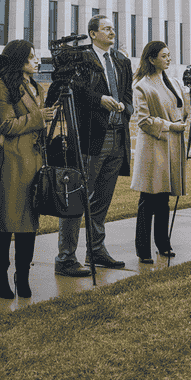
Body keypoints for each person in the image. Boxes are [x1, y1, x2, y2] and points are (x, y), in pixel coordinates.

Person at [52, 15, 134, 277]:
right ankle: (66, 256)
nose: (112, 31)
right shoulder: (81, 58)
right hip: (89, 137)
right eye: (106, 28)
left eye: (113, 28)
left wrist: (126, 108)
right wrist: (100, 99)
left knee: (102, 198)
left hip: (117, 134)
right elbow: (74, 89)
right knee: (77, 197)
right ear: (92, 33)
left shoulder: (122, 61)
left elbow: (128, 94)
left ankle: (96, 249)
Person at [0, 40, 56, 299]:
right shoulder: (2, 86)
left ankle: (23, 275)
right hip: (12, 162)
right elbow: (5, 125)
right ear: (19, 60)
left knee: (29, 223)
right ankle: (0, 278)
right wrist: (40, 117)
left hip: (34, 161)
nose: (36, 61)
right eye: (31, 57)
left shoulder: (36, 87)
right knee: (5, 223)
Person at [130, 41, 189, 263]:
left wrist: (184, 120)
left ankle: (163, 243)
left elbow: (183, 107)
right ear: (152, 58)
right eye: (164, 55)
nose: (168, 58)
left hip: (171, 145)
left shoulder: (173, 81)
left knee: (163, 197)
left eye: (169, 55)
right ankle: (143, 249)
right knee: (149, 198)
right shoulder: (142, 86)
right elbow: (143, 121)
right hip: (154, 147)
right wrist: (170, 125)